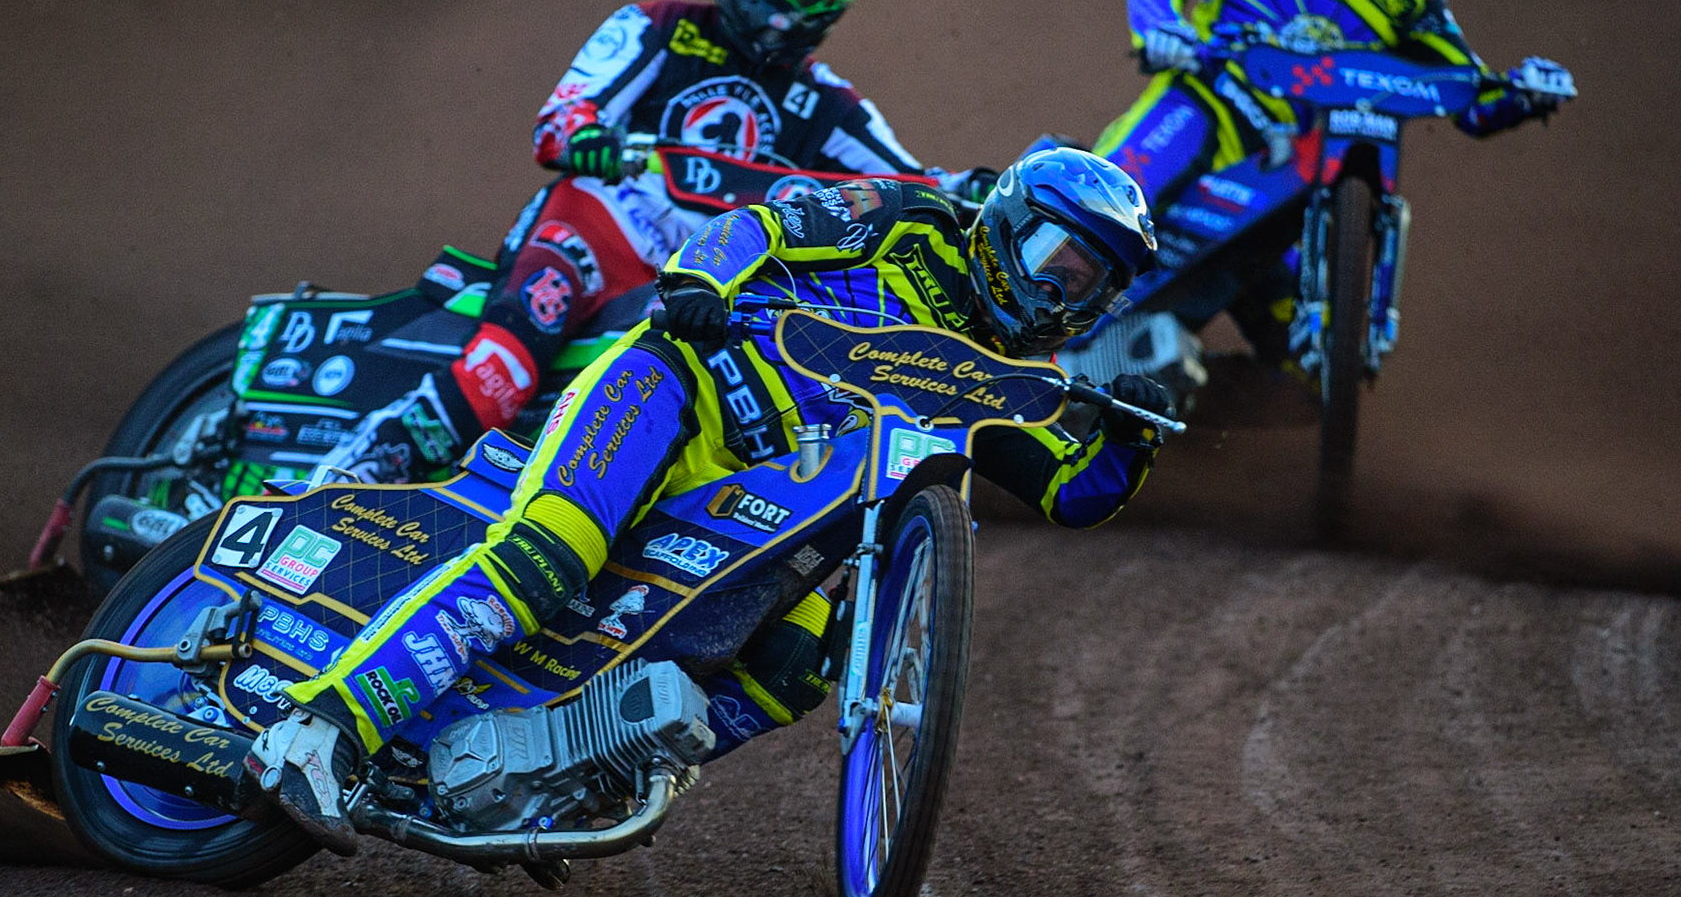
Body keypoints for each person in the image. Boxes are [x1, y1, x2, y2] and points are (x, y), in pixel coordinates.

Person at [248, 147, 1174, 854]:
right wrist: (697, 284)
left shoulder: (1022, 375)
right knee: (546, 557)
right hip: (678, 396)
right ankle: (319, 731)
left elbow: (1072, 491)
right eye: (1059, 257)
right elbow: (763, 223)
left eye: (1091, 283)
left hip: (786, 507)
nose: (1062, 291)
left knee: (790, 668)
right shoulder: (908, 217)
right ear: (1008, 221)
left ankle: (569, 778)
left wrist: (1134, 436)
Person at [324, 0, 996, 485]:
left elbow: (909, 186)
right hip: (592, 232)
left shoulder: (829, 104)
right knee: (502, 371)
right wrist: (585, 136)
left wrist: (978, 190)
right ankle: (338, 478)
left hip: (699, 278)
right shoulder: (657, 28)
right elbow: (563, 112)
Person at [1092, 0, 1576, 364]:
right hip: (1209, 103)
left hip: (1301, 164)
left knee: (1309, 354)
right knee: (1106, 205)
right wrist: (1164, 30)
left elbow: (1467, 94)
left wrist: (1524, 93)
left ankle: (1183, 384)